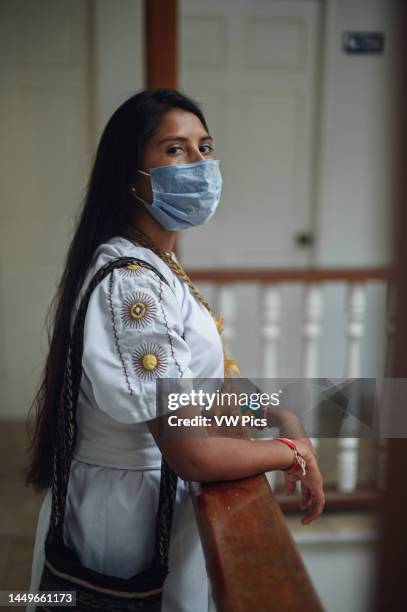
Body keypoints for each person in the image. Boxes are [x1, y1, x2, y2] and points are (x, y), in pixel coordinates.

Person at [25, 88, 325, 611]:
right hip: (127, 520)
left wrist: (275, 410)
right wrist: (291, 452)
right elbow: (191, 450)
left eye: (204, 148)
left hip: (149, 501)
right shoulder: (133, 285)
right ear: (129, 174)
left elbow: (198, 396)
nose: (199, 164)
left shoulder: (153, 266)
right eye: (175, 149)